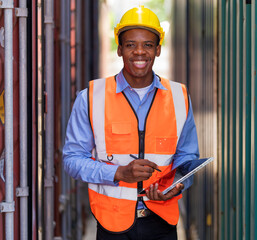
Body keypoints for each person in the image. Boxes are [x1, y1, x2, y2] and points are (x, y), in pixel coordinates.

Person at [63, 5, 199, 240]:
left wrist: (177, 186)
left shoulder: (179, 97)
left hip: (162, 222)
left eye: (147, 45)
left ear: (157, 49)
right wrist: (118, 173)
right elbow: (72, 160)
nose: (139, 52)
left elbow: (187, 158)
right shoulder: (91, 98)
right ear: (119, 49)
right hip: (111, 224)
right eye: (130, 44)